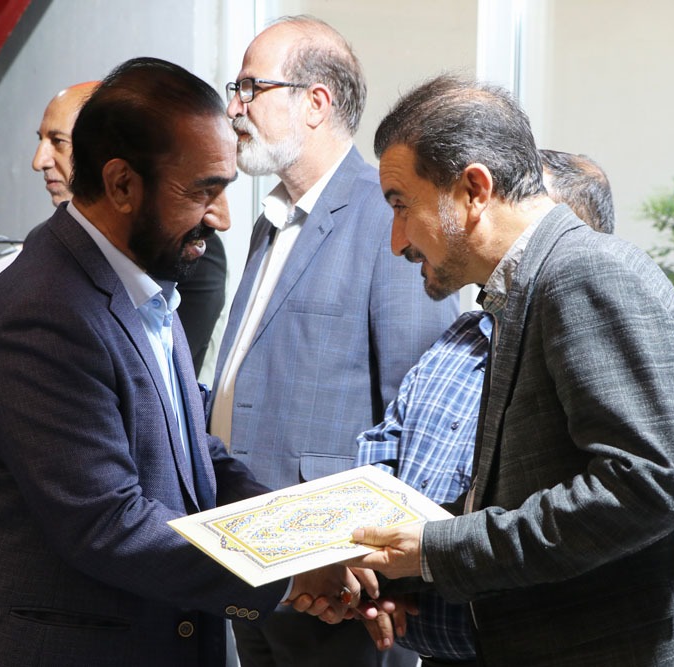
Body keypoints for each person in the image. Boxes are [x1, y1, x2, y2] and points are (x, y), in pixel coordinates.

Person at [0, 57, 370, 667]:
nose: (223, 217)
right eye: (203, 191)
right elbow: (106, 523)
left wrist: (299, 538)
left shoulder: (143, 282)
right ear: (122, 185)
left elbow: (193, 454)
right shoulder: (45, 311)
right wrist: (287, 578)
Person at [350, 75, 674, 666]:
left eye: (401, 205)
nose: (397, 239)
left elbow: (644, 489)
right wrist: (409, 570)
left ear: (474, 189)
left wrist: (436, 551)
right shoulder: (526, 291)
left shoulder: (584, 275)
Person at [209, 15, 459, 667]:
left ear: (315, 102)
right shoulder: (270, 221)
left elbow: (424, 418)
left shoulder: (387, 215)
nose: (234, 107)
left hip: (342, 582)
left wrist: (392, 572)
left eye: (250, 87)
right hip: (255, 563)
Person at [355, 150, 617, 664]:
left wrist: (433, 555)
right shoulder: (462, 333)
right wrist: (379, 569)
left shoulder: (584, 337)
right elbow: (384, 443)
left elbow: (605, 502)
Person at [32, 81, 228, 372]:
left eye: (58, 141)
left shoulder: (186, 245)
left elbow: (162, 371)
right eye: (41, 140)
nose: (39, 161)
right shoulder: (43, 241)